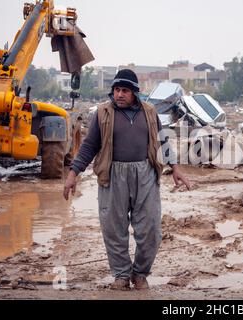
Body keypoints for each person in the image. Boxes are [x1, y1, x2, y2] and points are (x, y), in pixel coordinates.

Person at [63, 69, 190, 291]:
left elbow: (163, 142)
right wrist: (73, 174)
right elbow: (89, 146)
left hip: (145, 175)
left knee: (151, 228)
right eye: (116, 90)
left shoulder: (149, 112)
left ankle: (140, 274)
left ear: (134, 93)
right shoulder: (103, 113)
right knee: (113, 228)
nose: (119, 94)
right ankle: (121, 275)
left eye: (125, 90)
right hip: (112, 175)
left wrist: (176, 168)